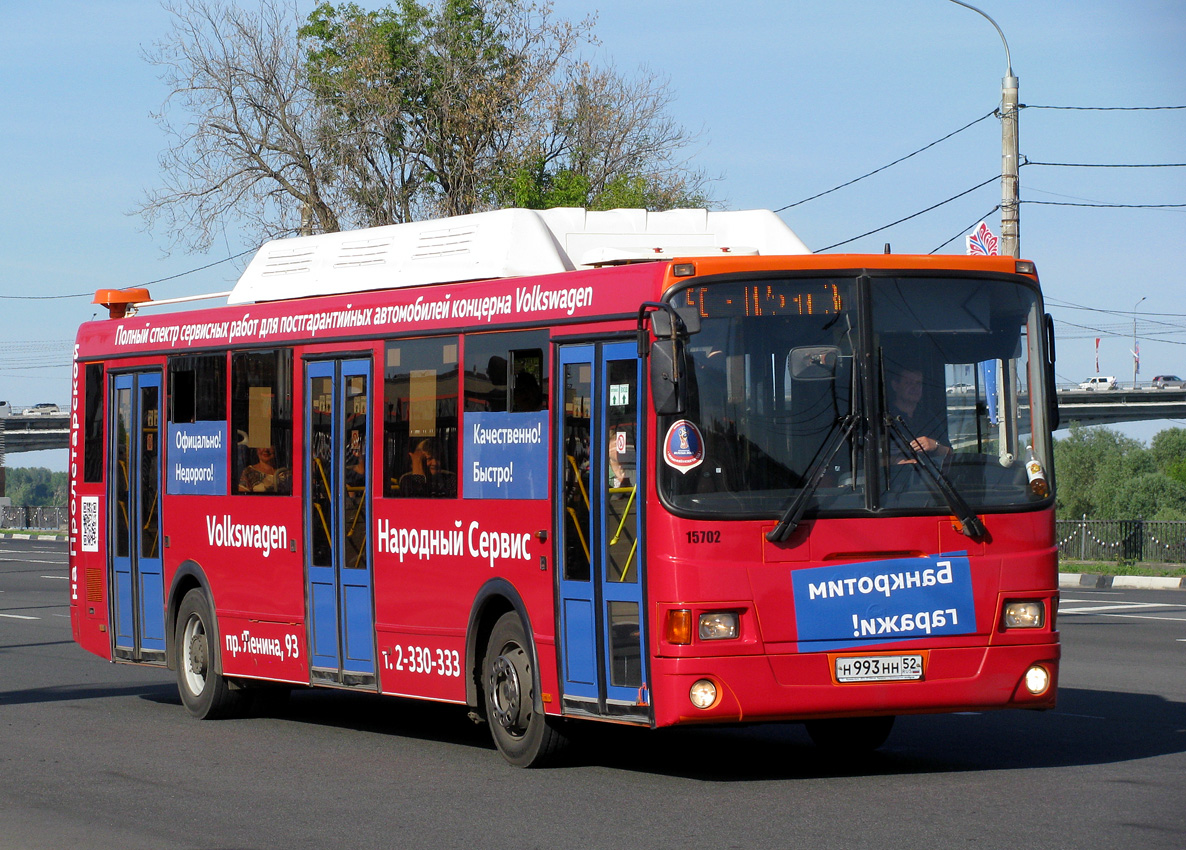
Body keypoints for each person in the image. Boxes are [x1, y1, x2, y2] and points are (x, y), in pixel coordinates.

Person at [887, 367, 951, 463]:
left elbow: (950, 453)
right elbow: (867, 458)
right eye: (908, 383)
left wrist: (935, 446)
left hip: (930, 476)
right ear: (895, 386)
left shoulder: (928, 417)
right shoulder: (884, 418)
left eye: (918, 383)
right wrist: (896, 462)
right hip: (894, 477)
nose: (915, 388)